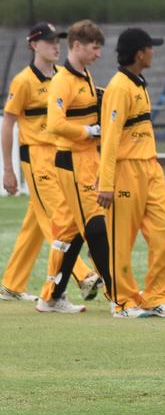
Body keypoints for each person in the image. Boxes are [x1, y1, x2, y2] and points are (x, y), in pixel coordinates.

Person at [1, 23, 101, 302]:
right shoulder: (23, 81)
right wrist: (8, 169)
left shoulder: (63, 76)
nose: (55, 46)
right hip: (36, 157)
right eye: (48, 41)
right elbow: (8, 124)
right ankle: (83, 275)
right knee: (57, 216)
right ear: (33, 44)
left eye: (57, 40)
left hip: (60, 155)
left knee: (38, 218)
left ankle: (11, 283)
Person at [97, 28, 165, 318]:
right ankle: (122, 301)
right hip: (125, 172)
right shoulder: (119, 87)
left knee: (163, 234)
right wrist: (106, 183)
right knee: (122, 240)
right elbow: (109, 138)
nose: (153, 52)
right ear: (139, 53)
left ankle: (156, 297)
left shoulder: (138, 83)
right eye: (150, 47)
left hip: (150, 168)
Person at [37, 19, 110, 313]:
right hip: (73, 163)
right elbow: (55, 123)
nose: (98, 54)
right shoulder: (63, 80)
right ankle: (118, 294)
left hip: (88, 161)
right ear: (77, 46)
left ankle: (51, 296)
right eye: (94, 48)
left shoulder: (86, 76)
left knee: (69, 232)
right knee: (96, 227)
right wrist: (88, 132)